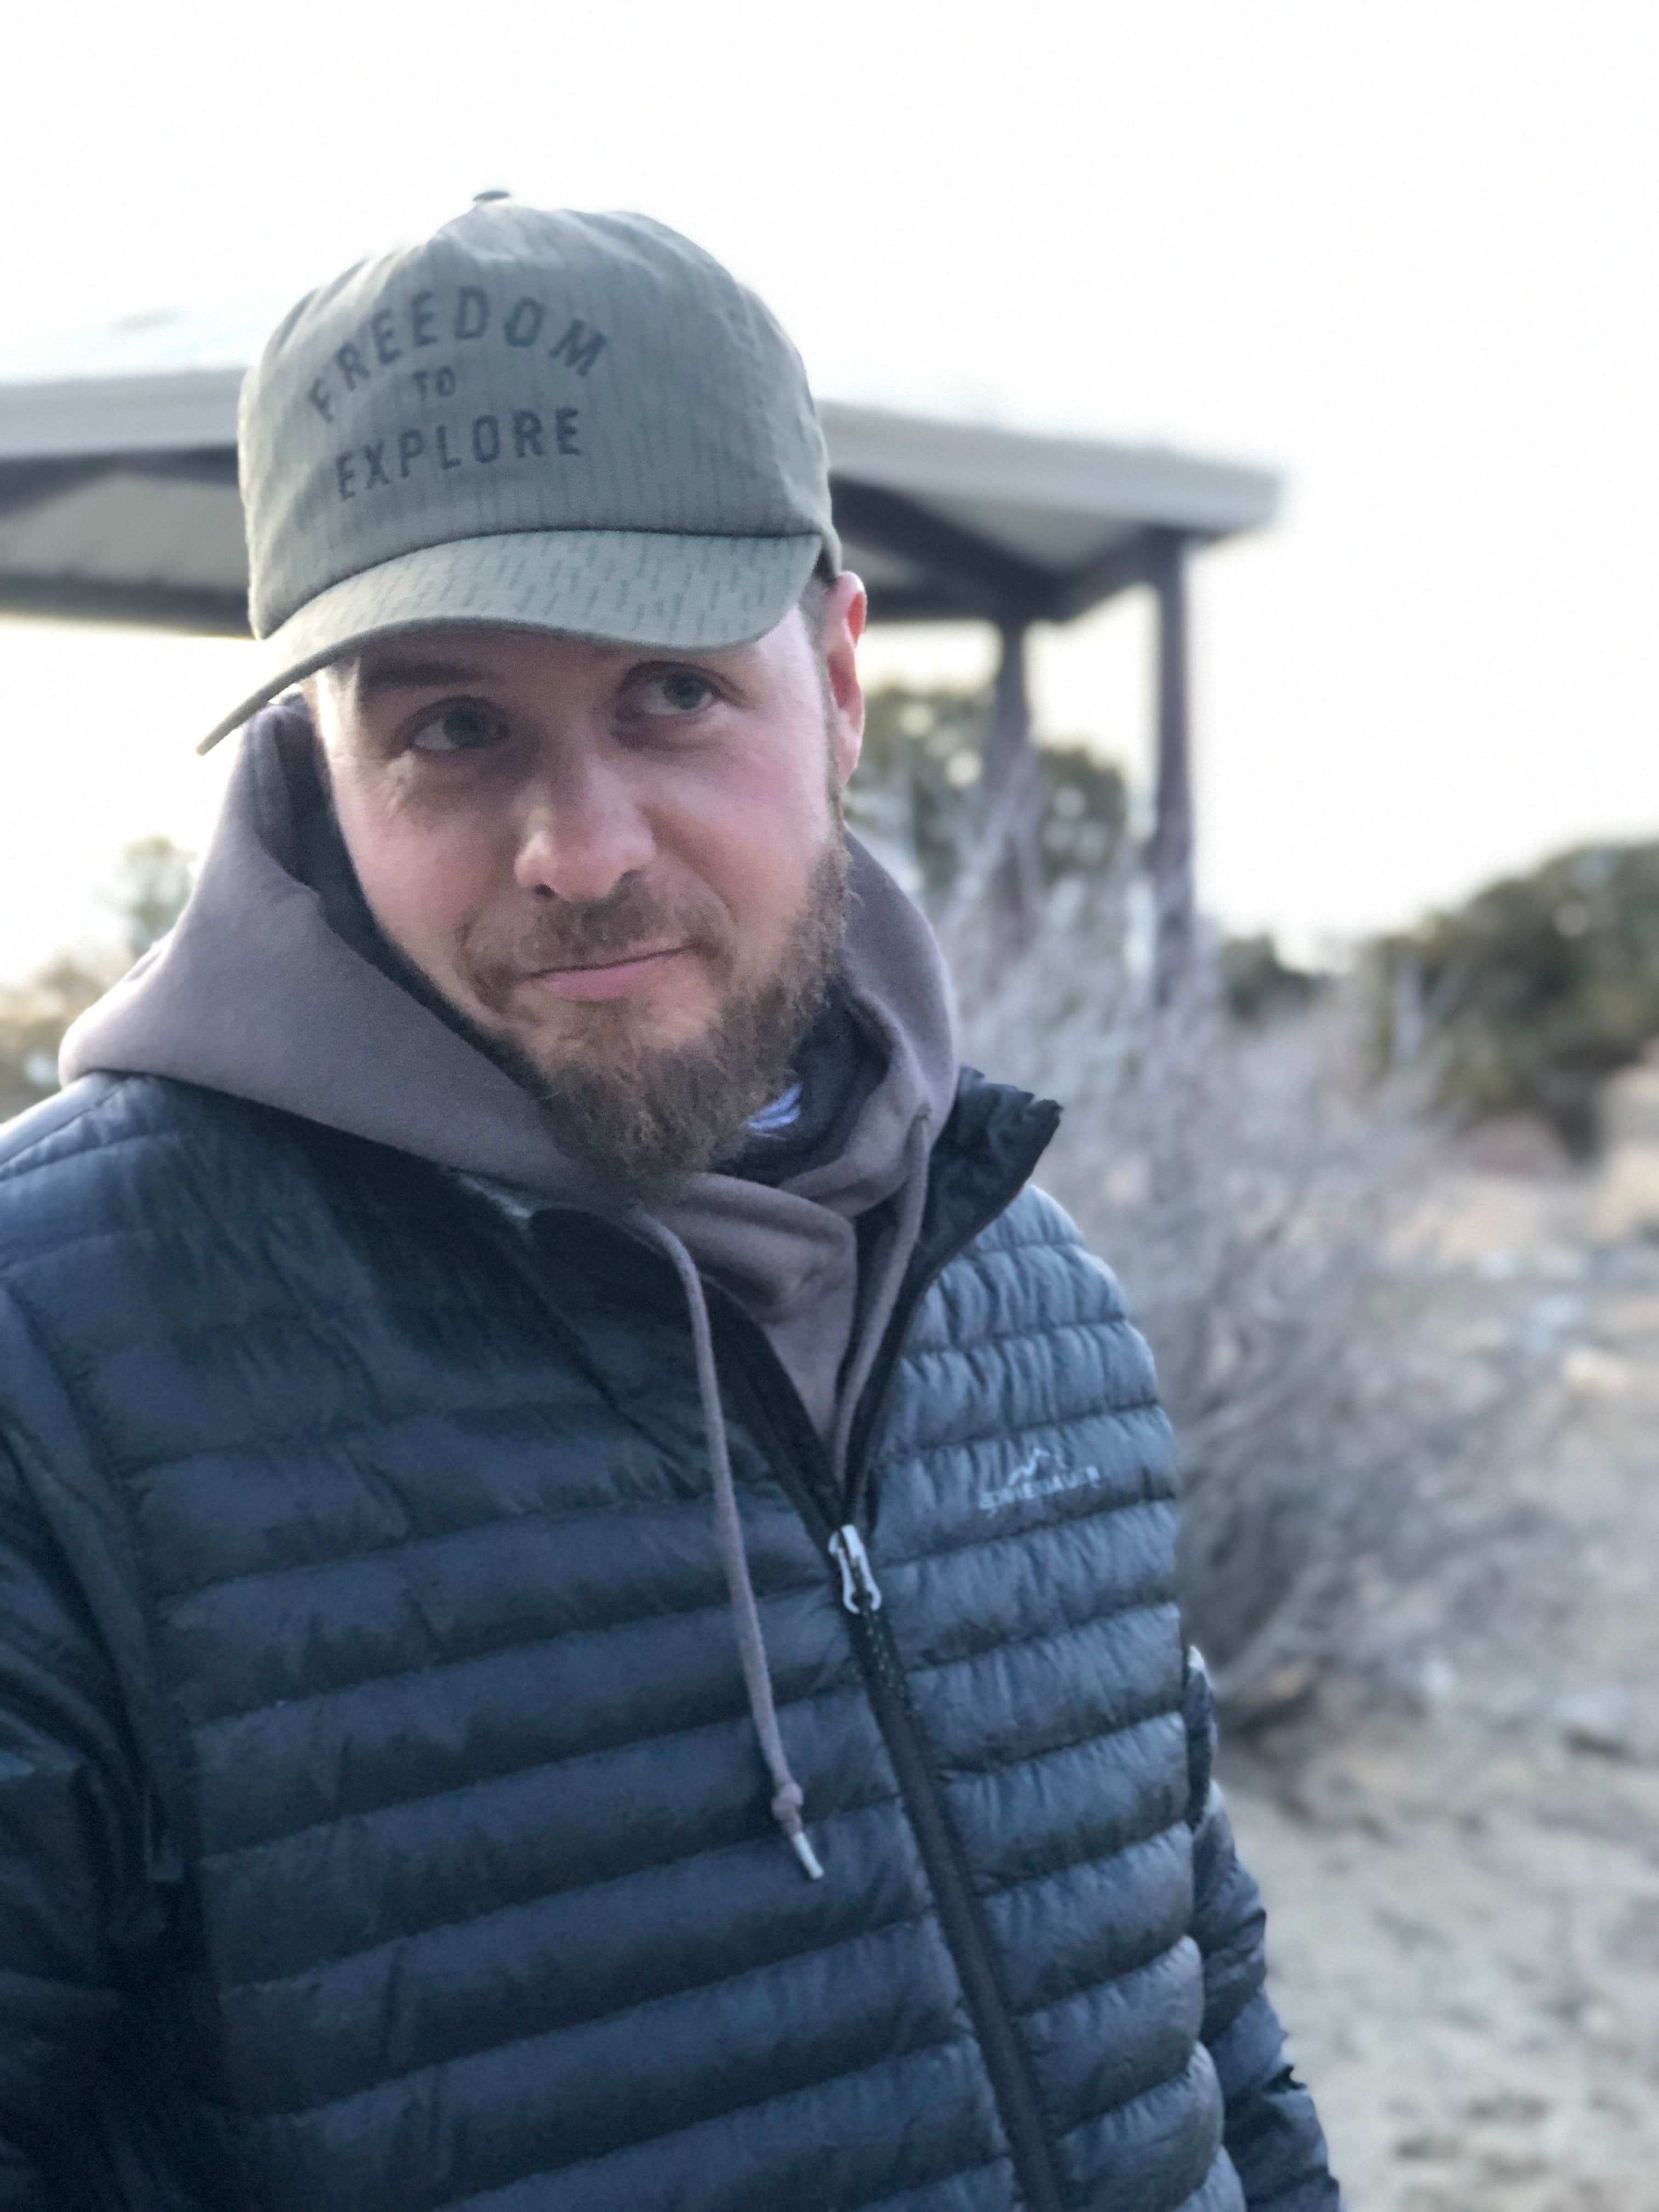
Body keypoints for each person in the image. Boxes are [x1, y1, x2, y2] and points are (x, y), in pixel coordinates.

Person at [0, 200, 1340, 2211]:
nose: (577, 849)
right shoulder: (53, 1364)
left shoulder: (1021, 1278)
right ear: (319, 751)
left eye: (670, 696)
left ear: (840, 676)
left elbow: (1195, 2000)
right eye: (452, 726)